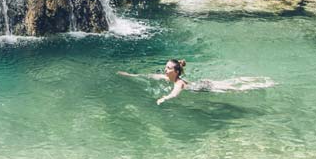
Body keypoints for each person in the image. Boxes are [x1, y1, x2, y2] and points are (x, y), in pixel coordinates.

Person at [117, 58, 276, 104]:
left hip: (205, 87)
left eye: (169, 68)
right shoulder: (165, 77)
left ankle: (260, 83)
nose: (165, 70)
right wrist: (130, 75)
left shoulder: (179, 83)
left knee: (233, 87)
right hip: (201, 83)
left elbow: (175, 94)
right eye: (165, 67)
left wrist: (163, 98)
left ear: (176, 71)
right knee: (230, 82)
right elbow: (149, 76)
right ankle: (254, 80)